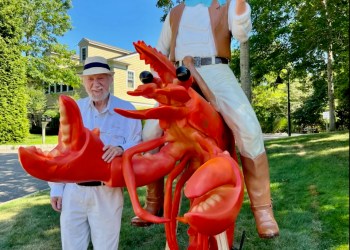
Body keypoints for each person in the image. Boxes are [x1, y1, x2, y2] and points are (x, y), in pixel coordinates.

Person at [131, 0, 279, 239]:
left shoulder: (226, 5)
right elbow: (162, 48)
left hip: (216, 72)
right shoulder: (175, 13)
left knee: (249, 130)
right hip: (179, 77)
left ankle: (263, 210)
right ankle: (153, 200)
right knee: (150, 134)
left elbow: (241, 33)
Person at [49, 56, 142, 250]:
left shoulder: (127, 110)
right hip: (73, 191)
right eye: (90, 79)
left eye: (101, 78)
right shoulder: (75, 109)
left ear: (110, 79)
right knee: (72, 246)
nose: (96, 84)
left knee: (106, 247)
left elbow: (138, 143)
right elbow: (61, 151)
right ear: (83, 81)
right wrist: (57, 189)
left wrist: (121, 149)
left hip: (107, 191)